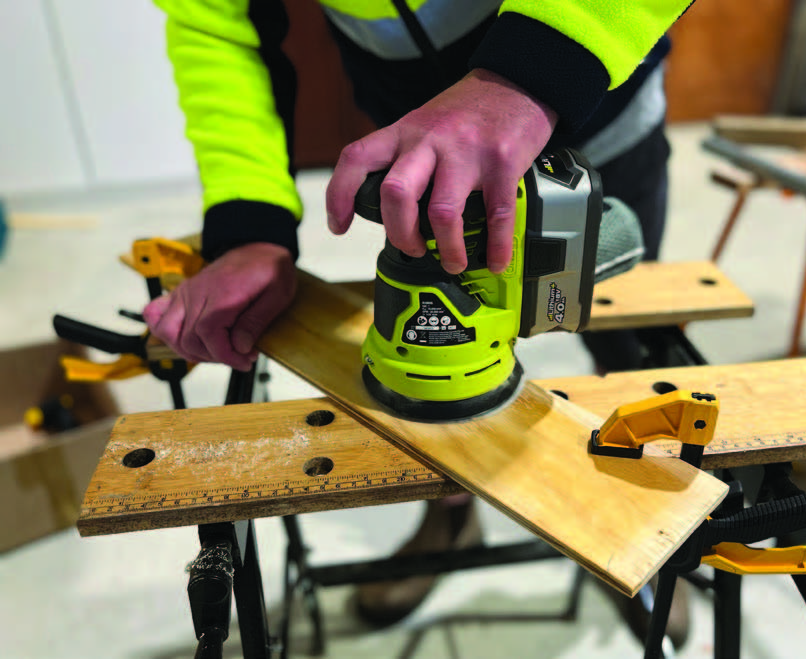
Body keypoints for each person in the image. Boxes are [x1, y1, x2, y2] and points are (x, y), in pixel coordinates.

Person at [145, 0, 693, 646]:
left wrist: (530, 75)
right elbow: (215, 23)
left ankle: (641, 527)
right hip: (419, 131)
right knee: (445, 398)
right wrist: (249, 222)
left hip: (601, 97)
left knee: (630, 351)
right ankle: (451, 514)